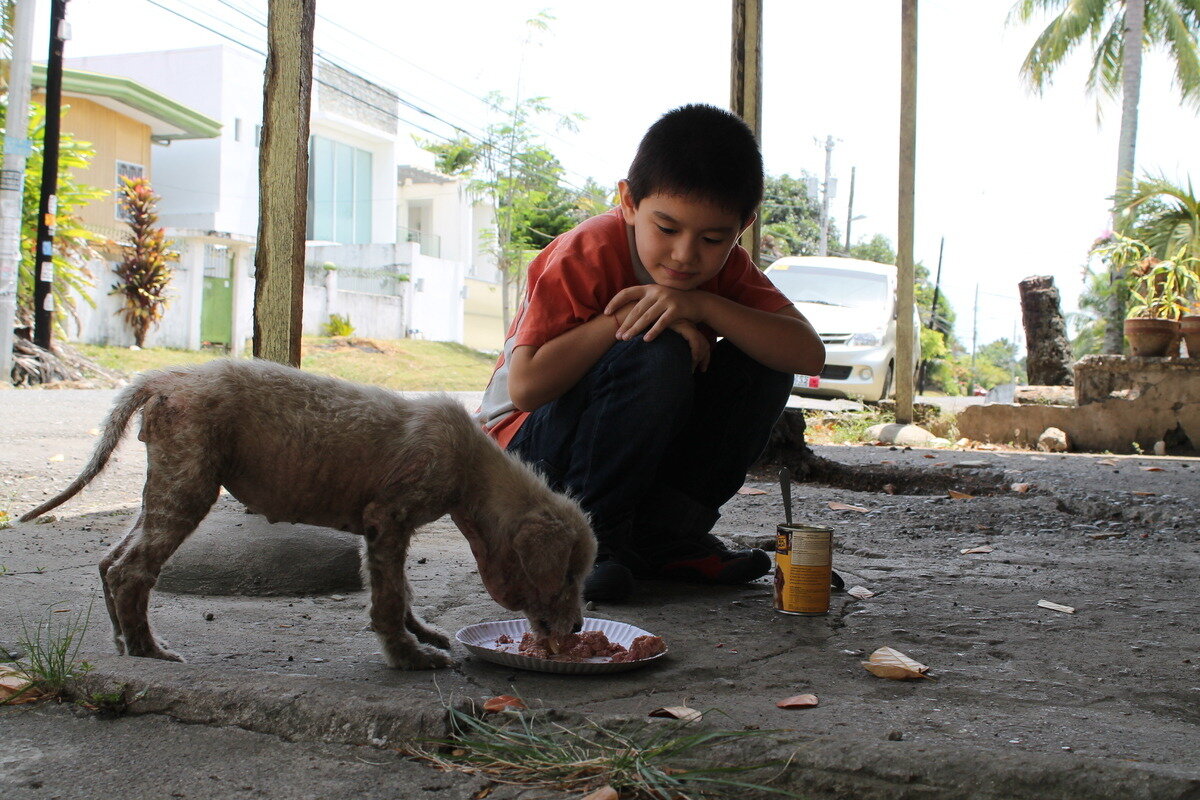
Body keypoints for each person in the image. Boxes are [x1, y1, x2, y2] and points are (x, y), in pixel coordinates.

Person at [475, 104, 825, 602]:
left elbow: (807, 354)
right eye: (667, 228)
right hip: (524, 464)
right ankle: (580, 546)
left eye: (712, 238)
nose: (685, 254)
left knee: (764, 365)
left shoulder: (723, 270)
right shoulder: (588, 251)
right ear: (629, 201)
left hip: (619, 464)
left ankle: (666, 538)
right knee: (654, 347)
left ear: (742, 227)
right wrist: (622, 320)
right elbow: (527, 387)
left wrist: (699, 303)